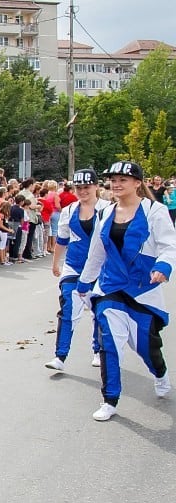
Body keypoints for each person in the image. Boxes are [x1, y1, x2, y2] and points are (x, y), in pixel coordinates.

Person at [77, 161, 176, 421]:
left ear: (136, 183)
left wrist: (163, 266)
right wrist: (85, 282)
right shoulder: (105, 213)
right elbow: (97, 252)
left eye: (123, 179)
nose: (117, 184)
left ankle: (160, 373)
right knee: (109, 341)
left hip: (142, 289)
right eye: (113, 180)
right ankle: (110, 399)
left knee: (146, 346)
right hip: (110, 285)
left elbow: (169, 245)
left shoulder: (155, 211)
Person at [46, 169, 109, 373]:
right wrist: (56, 263)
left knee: (100, 311)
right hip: (74, 265)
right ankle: (60, 355)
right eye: (78, 187)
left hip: (102, 268)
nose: (82, 191)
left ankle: (98, 350)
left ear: (96, 186)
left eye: (86, 187)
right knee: (68, 308)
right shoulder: (69, 210)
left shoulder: (108, 209)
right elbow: (62, 239)